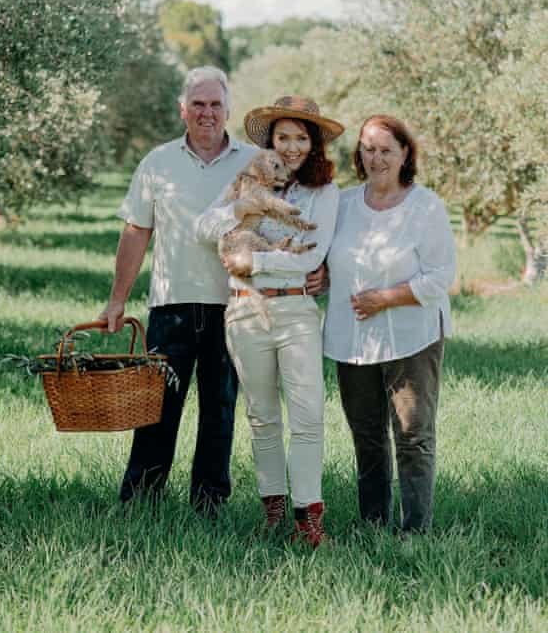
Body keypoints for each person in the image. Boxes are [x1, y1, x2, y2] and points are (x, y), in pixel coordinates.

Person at [101, 66, 257, 514]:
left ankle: (209, 506)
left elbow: (273, 226)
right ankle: (140, 502)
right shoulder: (157, 162)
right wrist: (117, 299)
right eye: (198, 104)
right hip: (171, 306)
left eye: (215, 105)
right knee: (156, 409)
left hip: (233, 305)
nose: (207, 113)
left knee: (219, 411)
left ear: (228, 109)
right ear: (182, 109)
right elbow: (135, 232)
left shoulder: (251, 162)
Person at [196, 96, 344, 546]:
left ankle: (309, 519)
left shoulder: (325, 193)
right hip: (245, 310)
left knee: (307, 416)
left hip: (295, 311)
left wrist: (250, 263)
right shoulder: (246, 180)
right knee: (261, 417)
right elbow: (203, 228)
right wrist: (239, 213)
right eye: (284, 137)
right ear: (271, 142)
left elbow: (312, 259)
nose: (292, 146)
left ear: (314, 143)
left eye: (301, 137)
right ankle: (273, 511)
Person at [323, 114, 457, 534]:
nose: (376, 157)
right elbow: (327, 261)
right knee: (366, 435)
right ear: (358, 153)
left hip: (411, 336)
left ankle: (415, 531)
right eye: (368, 148)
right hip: (352, 338)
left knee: (412, 436)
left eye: (385, 150)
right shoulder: (341, 204)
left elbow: (440, 276)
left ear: (404, 154)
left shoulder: (426, 206)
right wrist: (319, 277)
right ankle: (373, 526)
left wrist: (384, 299)